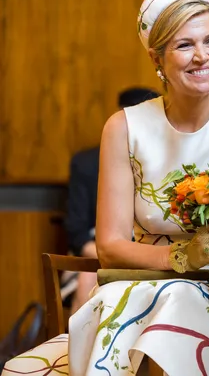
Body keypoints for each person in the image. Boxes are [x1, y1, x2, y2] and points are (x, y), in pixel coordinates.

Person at [1, 0, 209, 376]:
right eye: (184, 45)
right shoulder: (125, 127)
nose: (202, 56)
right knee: (29, 363)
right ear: (157, 58)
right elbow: (110, 246)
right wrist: (182, 257)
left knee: (175, 309)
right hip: (141, 288)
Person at [65, 87, 159, 314]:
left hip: (153, 255)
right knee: (90, 278)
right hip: (95, 255)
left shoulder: (163, 159)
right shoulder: (87, 163)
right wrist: (111, 257)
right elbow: (77, 232)